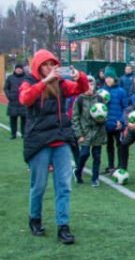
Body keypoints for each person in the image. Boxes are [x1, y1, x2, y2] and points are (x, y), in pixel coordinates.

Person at [19, 49, 89, 244]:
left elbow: (81, 88)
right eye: (46, 65)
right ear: (38, 66)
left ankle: (63, 227)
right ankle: (35, 219)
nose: (50, 68)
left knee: (64, 185)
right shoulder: (29, 82)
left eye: (52, 64)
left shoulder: (60, 83)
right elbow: (25, 98)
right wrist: (45, 82)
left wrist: (80, 76)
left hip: (60, 139)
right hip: (39, 141)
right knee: (39, 185)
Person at [72, 75, 107, 187]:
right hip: (85, 132)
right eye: (86, 85)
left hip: (98, 132)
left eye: (91, 84)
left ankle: (95, 178)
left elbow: (105, 114)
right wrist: (79, 134)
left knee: (97, 156)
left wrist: (101, 119)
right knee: (84, 154)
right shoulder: (80, 99)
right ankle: (78, 172)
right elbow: (75, 118)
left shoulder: (99, 98)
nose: (89, 87)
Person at [100, 67, 128, 174]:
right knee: (109, 146)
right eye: (106, 77)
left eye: (110, 77)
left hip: (117, 124)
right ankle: (110, 166)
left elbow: (125, 108)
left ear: (114, 78)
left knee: (120, 145)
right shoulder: (101, 91)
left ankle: (120, 166)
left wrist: (121, 121)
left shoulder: (121, 91)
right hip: (106, 124)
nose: (108, 79)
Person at [5, 63, 27, 139]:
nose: (18, 70)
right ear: (15, 69)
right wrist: (9, 96)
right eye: (17, 68)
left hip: (23, 102)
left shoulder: (26, 77)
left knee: (24, 119)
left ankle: (24, 134)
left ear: (22, 69)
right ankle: (13, 134)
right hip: (13, 101)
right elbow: (6, 88)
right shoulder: (10, 78)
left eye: (20, 68)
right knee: (13, 119)